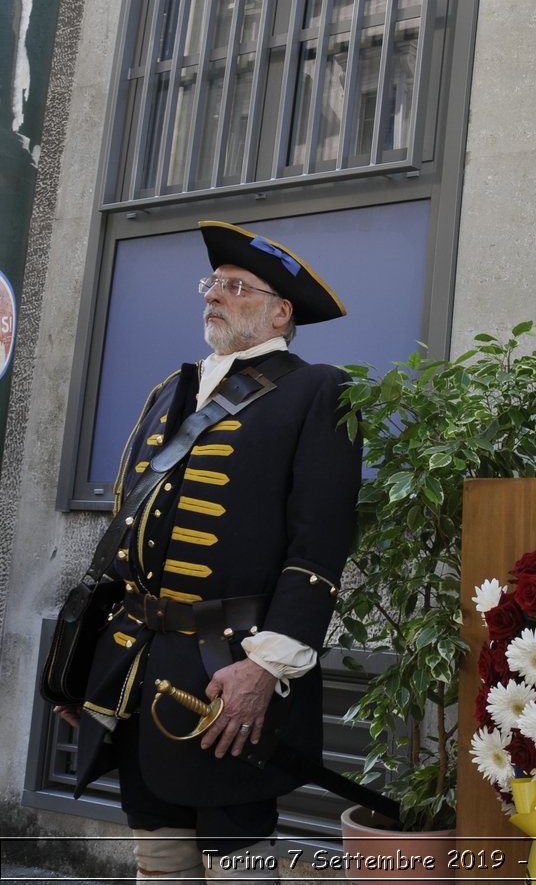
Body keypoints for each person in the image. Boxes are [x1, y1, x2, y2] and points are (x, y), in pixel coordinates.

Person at [55, 221, 360, 880]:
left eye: (236, 287)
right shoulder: (171, 389)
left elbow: (320, 545)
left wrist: (265, 667)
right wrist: (85, 661)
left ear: (280, 312)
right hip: (139, 664)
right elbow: (126, 534)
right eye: (212, 284)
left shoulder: (318, 391)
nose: (214, 296)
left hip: (231, 670)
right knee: (156, 849)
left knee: (235, 852)